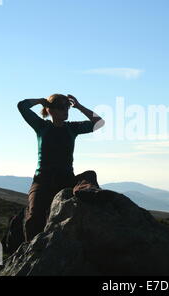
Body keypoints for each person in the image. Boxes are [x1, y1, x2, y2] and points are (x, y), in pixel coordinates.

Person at [17, 93, 105, 242]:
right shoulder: (41, 126)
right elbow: (22, 106)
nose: (66, 110)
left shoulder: (72, 128)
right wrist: (40, 101)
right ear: (50, 110)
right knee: (34, 216)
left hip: (66, 179)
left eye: (67, 107)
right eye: (61, 107)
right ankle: (31, 252)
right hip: (42, 180)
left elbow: (99, 122)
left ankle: (84, 193)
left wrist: (79, 106)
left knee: (90, 174)